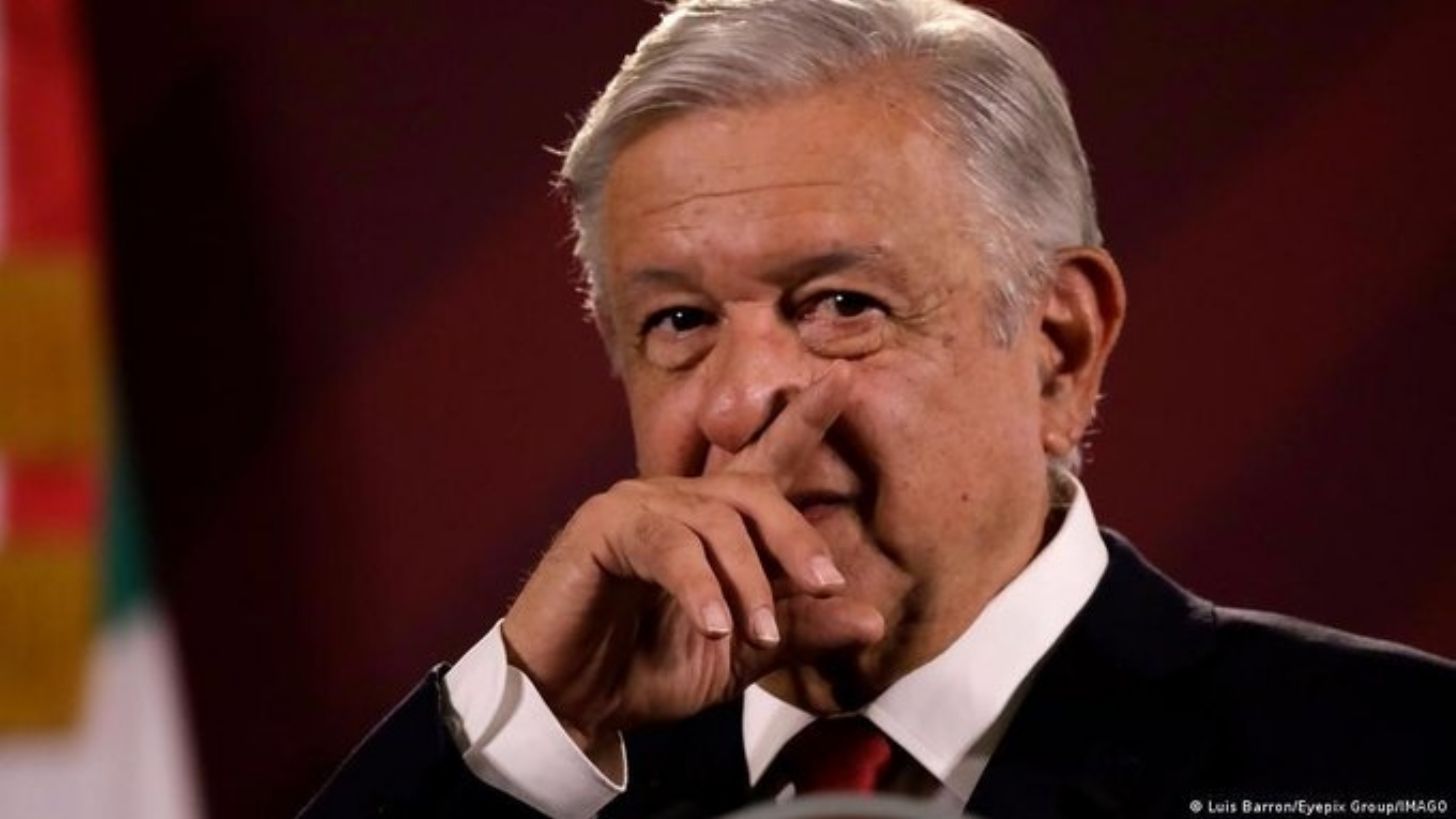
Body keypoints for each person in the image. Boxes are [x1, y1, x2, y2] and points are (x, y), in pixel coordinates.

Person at [301, 1, 1455, 817]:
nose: (739, 400)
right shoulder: (543, 782)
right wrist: (524, 726)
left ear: (1058, 350)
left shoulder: (1398, 761)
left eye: (841, 304)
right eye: (680, 321)